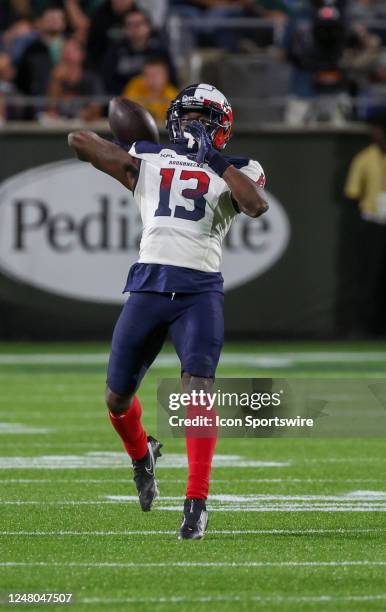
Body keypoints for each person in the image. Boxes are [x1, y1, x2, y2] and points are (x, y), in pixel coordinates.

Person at [68, 83, 268, 539]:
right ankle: (143, 454)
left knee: (197, 391)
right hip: (149, 287)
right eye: (189, 116)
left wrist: (210, 158)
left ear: (222, 127)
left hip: (199, 293)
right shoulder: (149, 159)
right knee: (116, 398)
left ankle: (196, 502)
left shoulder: (241, 167)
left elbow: (255, 205)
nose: (196, 124)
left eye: (205, 118)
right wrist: (128, 149)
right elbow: (78, 140)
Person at [344, 115, 386, 336]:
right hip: (372, 222)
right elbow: (352, 192)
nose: (374, 134)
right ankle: (365, 328)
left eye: (378, 130)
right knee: (369, 277)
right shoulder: (364, 158)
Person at [101, 8, 176, 95]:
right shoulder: (115, 51)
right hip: (123, 101)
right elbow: (107, 81)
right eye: (129, 24)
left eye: (137, 24)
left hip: (156, 102)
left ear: (148, 26)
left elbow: (172, 80)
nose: (133, 29)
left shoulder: (159, 51)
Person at [47, 37, 104, 121]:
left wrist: (85, 114)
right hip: (60, 126)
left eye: (72, 51)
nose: (67, 55)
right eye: (65, 51)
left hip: (85, 126)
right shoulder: (56, 78)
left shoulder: (92, 79)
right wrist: (56, 81)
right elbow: (51, 109)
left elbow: (98, 107)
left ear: (82, 55)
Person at [123, 57, 178, 125]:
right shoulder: (135, 86)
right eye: (147, 75)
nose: (152, 79)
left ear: (165, 76)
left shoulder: (172, 94)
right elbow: (126, 112)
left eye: (156, 75)